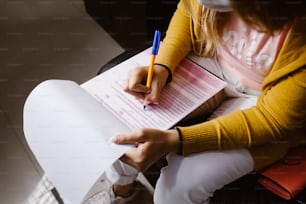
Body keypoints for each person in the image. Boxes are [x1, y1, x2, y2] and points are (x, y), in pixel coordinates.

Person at [85, 0, 306, 203]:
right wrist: (163, 66)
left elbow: (275, 119)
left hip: (266, 102)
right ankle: (122, 191)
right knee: (119, 118)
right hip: (211, 60)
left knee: (179, 187)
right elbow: (188, 11)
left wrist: (177, 140)